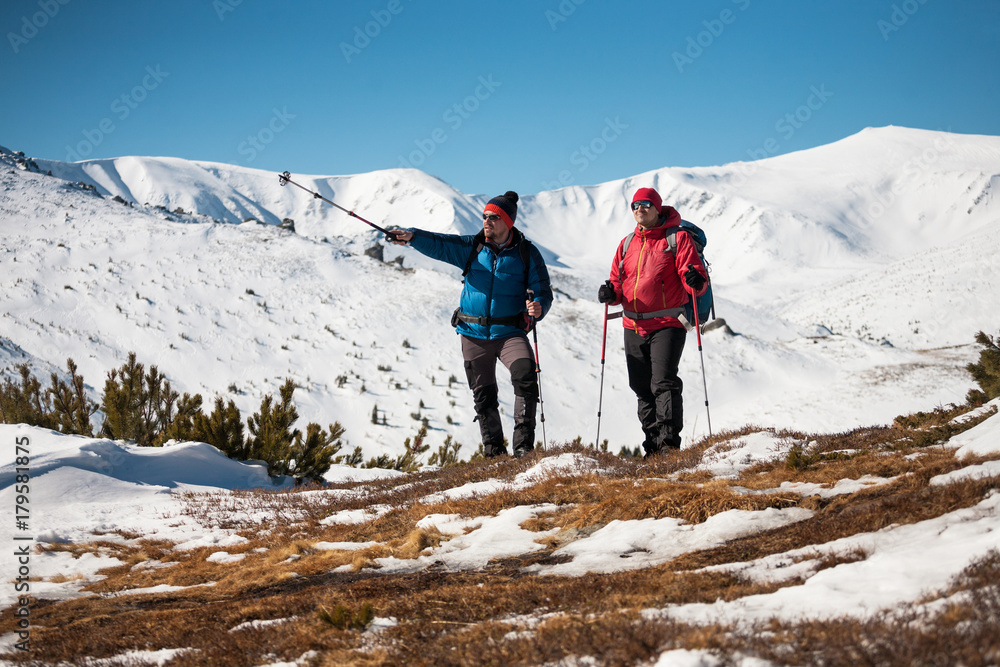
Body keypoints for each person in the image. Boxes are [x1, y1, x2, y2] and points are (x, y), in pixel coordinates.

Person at [389, 191, 553, 458]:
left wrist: (539, 307)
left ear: (507, 221)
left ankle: (523, 448)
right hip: (472, 333)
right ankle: (494, 452)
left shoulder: (526, 253)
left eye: (493, 217)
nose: (486, 221)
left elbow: (543, 290)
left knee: (525, 375)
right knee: (483, 394)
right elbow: (440, 244)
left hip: (509, 332)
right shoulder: (472, 247)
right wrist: (412, 237)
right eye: (485, 216)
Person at [597, 187, 708, 457]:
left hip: (668, 322)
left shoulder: (677, 238)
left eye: (645, 204)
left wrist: (697, 282)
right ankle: (652, 448)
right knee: (641, 386)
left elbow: (694, 277)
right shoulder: (626, 244)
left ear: (658, 207)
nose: (639, 209)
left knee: (663, 382)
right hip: (633, 325)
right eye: (635, 205)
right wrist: (611, 293)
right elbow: (617, 281)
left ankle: (669, 447)